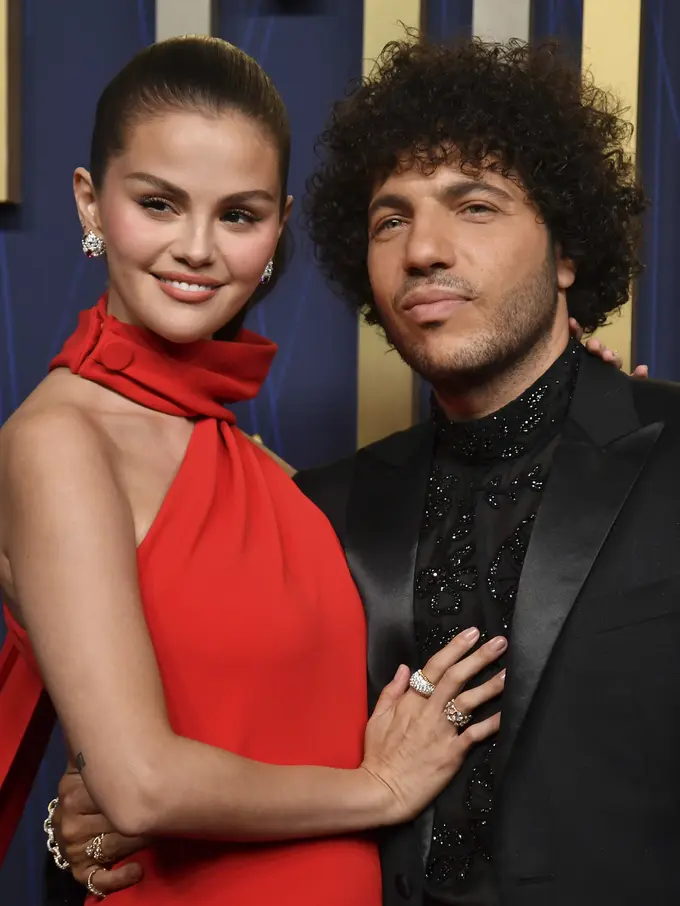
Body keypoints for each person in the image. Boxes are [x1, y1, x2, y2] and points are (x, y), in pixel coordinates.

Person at [50, 35, 677, 906]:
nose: (424, 249)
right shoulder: (316, 508)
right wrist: (90, 813)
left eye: (475, 206)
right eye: (391, 219)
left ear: (567, 252)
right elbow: (197, 739)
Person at [0, 36, 513, 906]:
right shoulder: (60, 441)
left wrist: (574, 402)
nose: (197, 249)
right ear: (91, 202)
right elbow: (141, 785)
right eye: (159, 203)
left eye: (237, 215)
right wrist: (379, 788)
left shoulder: (261, 467)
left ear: (275, 226)